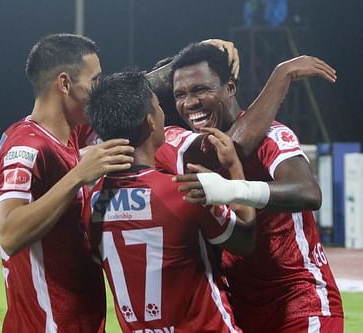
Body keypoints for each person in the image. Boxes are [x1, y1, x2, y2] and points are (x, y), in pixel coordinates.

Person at [157, 43, 343, 332]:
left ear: (230, 87)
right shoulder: (179, 141)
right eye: (180, 94)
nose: (190, 103)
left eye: (200, 90)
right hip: (239, 305)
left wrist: (236, 190)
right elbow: (126, 96)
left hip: (298, 297)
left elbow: (308, 192)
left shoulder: (272, 134)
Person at [84, 71, 256, 332]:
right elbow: (244, 240)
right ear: (150, 121)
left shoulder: (92, 202)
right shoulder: (182, 191)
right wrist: (234, 169)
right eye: (158, 106)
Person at [0, 33, 134, 332]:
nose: (101, 91)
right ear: (65, 84)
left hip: (78, 320)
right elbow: (8, 233)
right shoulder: (26, 147)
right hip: (47, 324)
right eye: (94, 81)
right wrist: (78, 176)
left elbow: (132, 94)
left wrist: (192, 59)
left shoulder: (70, 134)